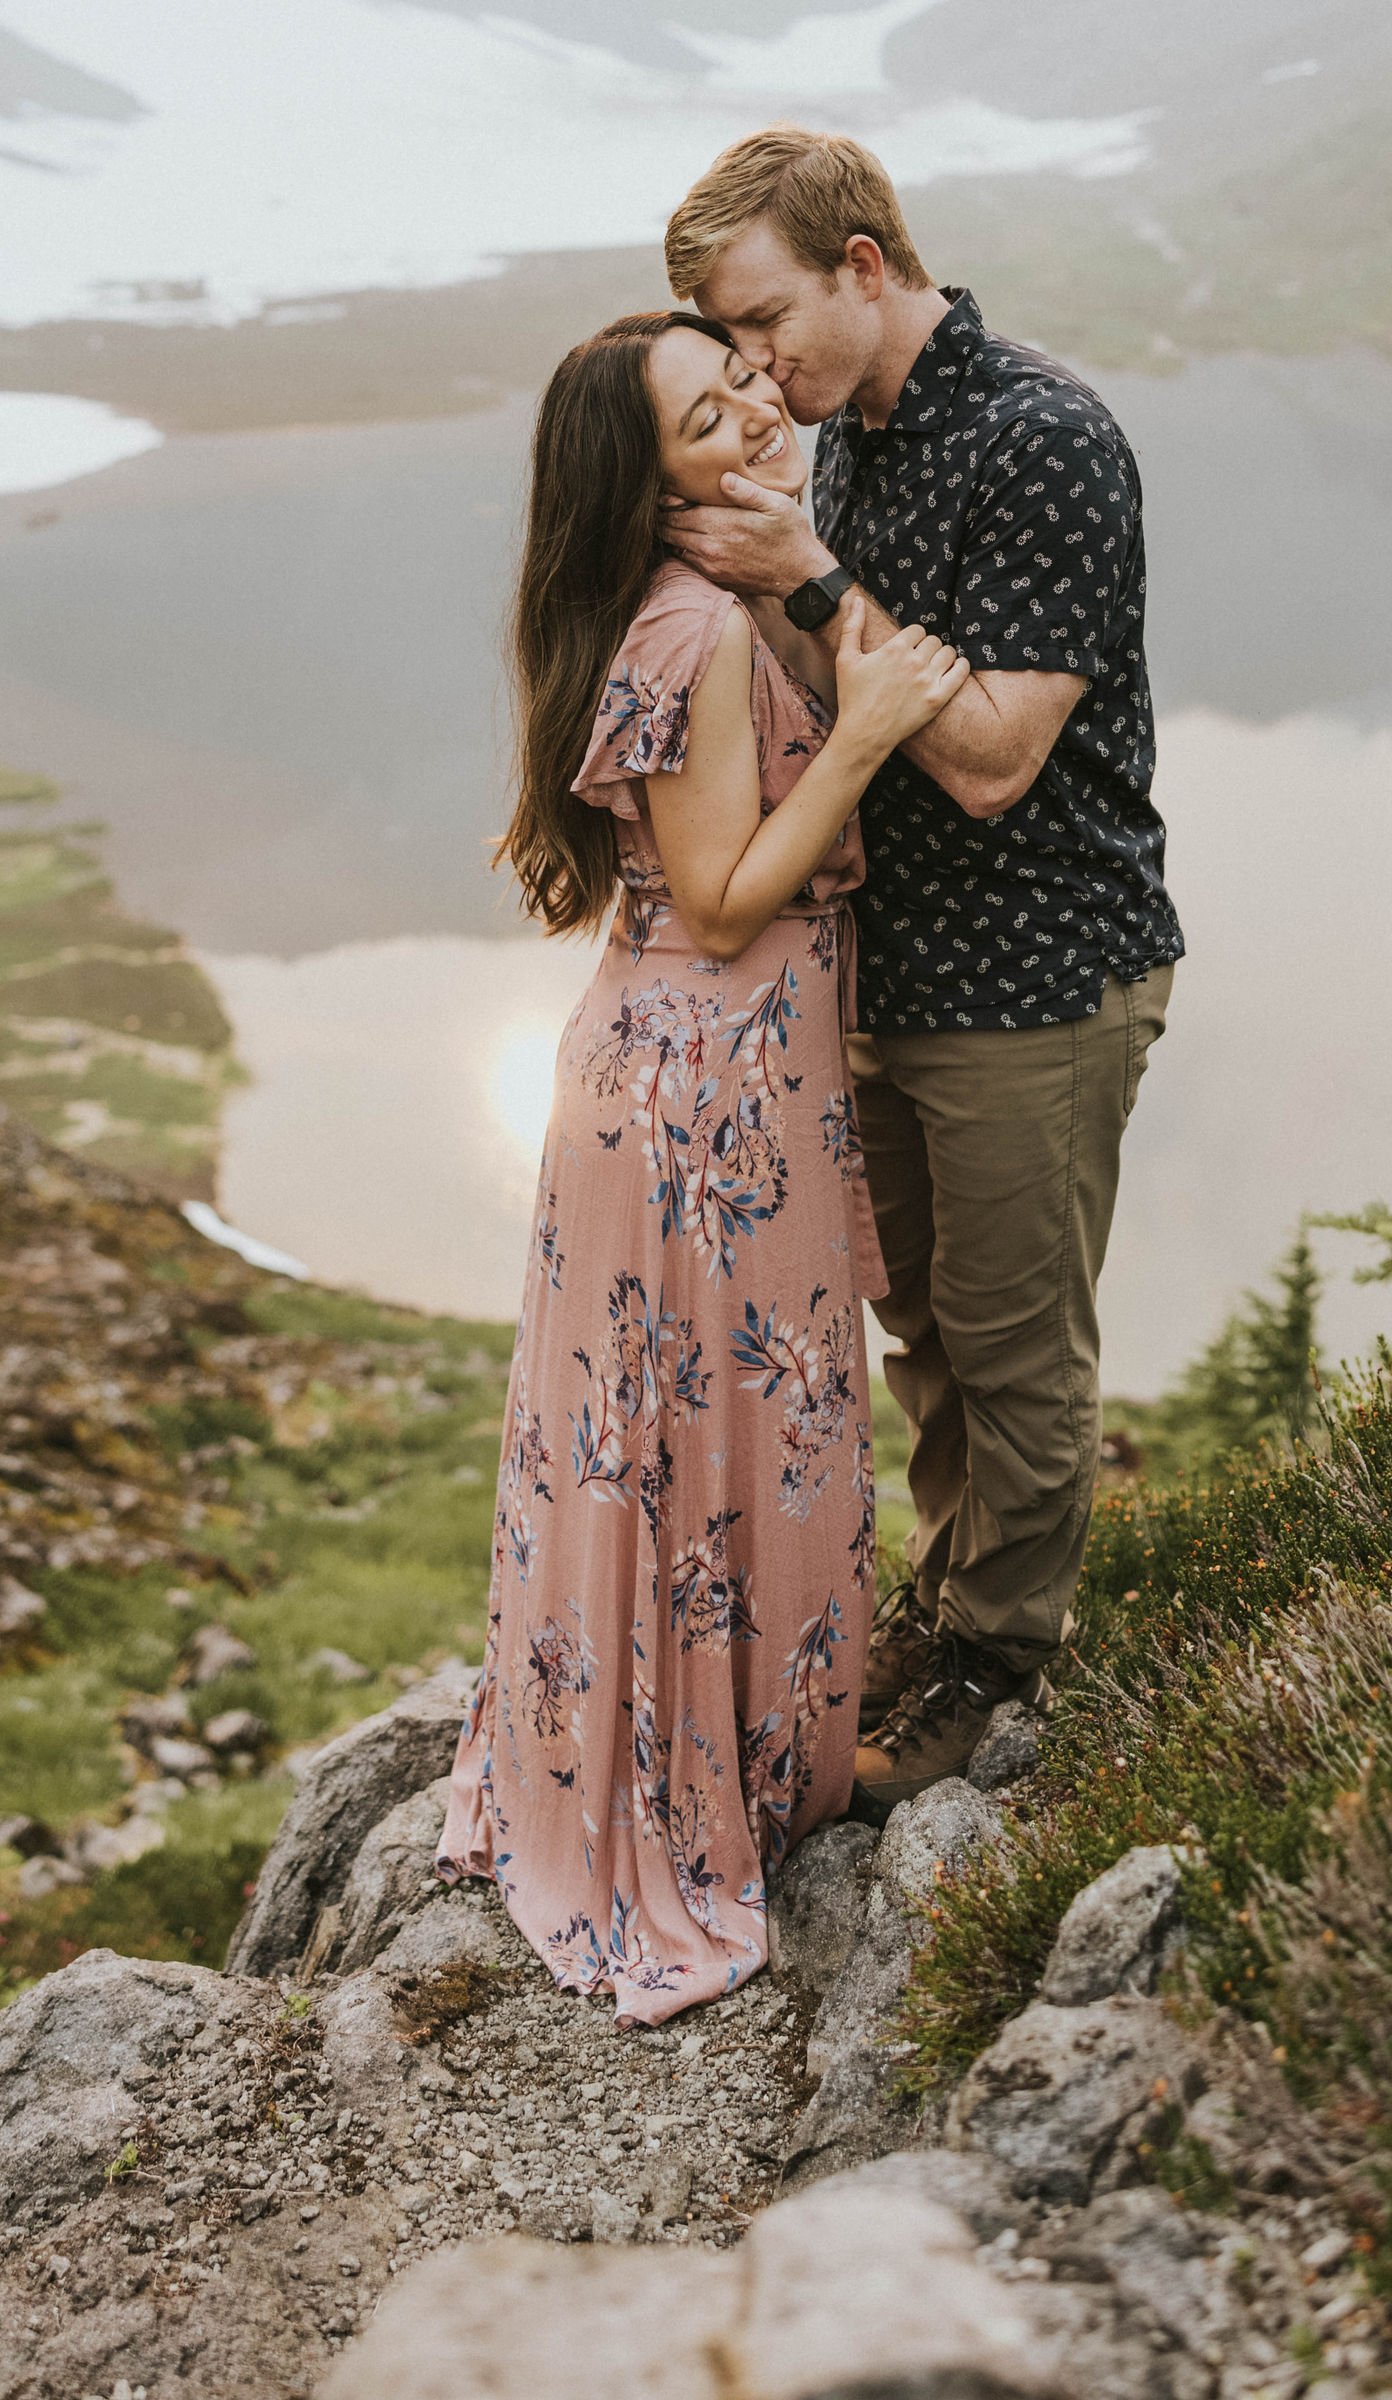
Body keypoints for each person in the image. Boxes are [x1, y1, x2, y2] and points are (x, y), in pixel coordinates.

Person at [439, 307, 966, 2019]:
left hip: (686, 1082)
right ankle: (701, 1800)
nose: (748, 406)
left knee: (663, 1444)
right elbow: (729, 896)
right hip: (705, 1104)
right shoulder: (695, 635)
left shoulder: (684, 606)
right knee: (716, 1440)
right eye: (700, 414)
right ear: (646, 481)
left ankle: (692, 1766)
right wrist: (875, 720)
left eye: (737, 375)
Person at [661, 129, 1182, 1810]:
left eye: (763, 320)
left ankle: (1001, 1662)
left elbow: (984, 759)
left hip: (1038, 976)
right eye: (723, 343)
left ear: (863, 265)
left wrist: (804, 577)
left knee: (1018, 1344)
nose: (752, 365)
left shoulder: (1044, 440)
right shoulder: (857, 437)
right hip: (893, 979)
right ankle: (954, 1607)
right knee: (930, 1338)